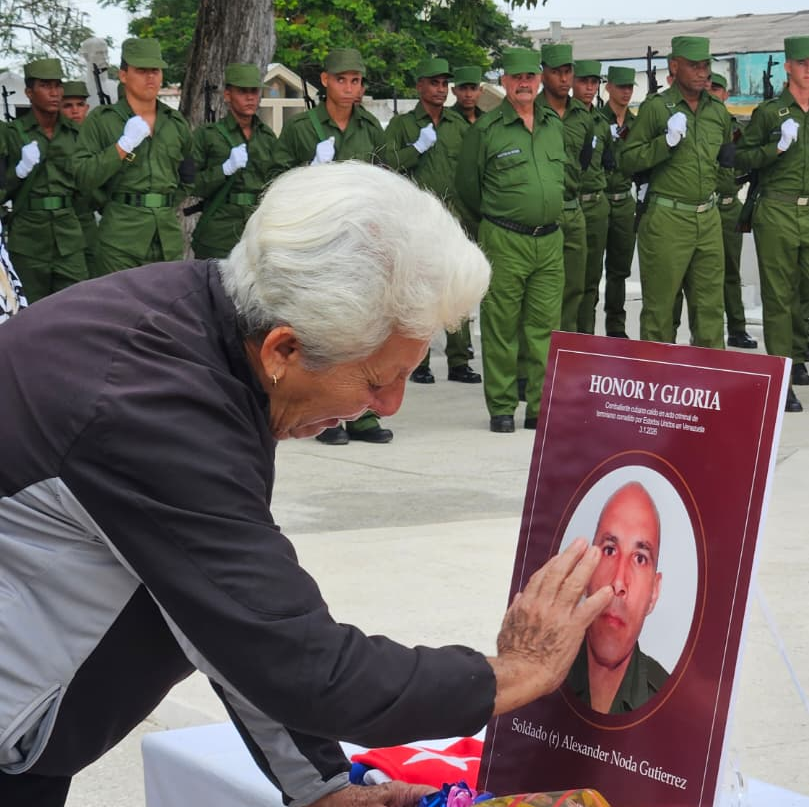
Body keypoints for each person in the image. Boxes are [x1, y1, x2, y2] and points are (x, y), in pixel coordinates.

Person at [0, 161, 613, 806]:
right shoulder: (149, 407)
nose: (393, 405)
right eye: (377, 381)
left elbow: (221, 613)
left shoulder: (198, 330)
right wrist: (518, 673)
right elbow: (307, 667)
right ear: (283, 352)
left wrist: (318, 785)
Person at [269, 48, 391, 445]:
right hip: (319, 238)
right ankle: (329, 414)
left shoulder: (371, 128)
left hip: (360, 241)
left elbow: (387, 177)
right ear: (325, 81)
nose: (349, 88)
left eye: (356, 81)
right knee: (323, 328)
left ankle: (363, 414)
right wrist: (308, 172)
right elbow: (274, 180)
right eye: (342, 80)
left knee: (367, 327)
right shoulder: (303, 128)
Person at [456, 47, 565, 433]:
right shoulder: (486, 131)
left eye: (530, 77)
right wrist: (495, 225)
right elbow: (468, 189)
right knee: (501, 326)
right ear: (503, 83)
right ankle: (502, 406)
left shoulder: (554, 124)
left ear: (538, 81)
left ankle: (538, 406)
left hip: (550, 242)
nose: (524, 84)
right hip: (505, 239)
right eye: (516, 78)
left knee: (544, 329)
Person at [621, 36, 732, 349]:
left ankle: (708, 386)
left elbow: (725, 161)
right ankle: (655, 387)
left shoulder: (717, 112)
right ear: (674, 66)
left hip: (707, 218)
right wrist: (665, 142)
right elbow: (627, 159)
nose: (702, 73)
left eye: (706, 66)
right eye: (694, 66)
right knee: (661, 311)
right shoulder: (657, 109)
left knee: (711, 309)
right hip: (667, 218)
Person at [385, 57, 480, 387]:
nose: (440, 89)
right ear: (419, 86)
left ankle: (459, 359)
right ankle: (418, 361)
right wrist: (416, 148)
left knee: (459, 287)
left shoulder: (460, 125)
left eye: (444, 83)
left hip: (457, 217)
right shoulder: (403, 126)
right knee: (419, 291)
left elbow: (474, 168)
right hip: (418, 218)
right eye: (433, 83)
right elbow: (385, 165)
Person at [73, 37, 194, 276]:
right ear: (124, 75)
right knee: (118, 311)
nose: (151, 77)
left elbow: (187, 176)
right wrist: (122, 147)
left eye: (155, 70)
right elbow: (82, 176)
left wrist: (163, 203)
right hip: (120, 238)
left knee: (166, 308)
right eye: (142, 70)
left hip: (166, 237)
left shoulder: (175, 123)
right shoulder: (101, 120)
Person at [736, 36, 809, 413]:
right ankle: (783, 377)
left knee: (804, 293)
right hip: (777, 211)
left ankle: (798, 357)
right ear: (789, 66)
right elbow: (743, 157)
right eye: (803, 62)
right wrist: (776, 148)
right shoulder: (770, 113)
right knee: (779, 297)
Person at [566, 481, 668, 715]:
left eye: (640, 558)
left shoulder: (673, 705)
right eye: (609, 550)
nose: (619, 582)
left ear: (654, 592)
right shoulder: (541, 677)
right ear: (586, 569)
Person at [2, 58, 87, 302]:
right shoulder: (10, 134)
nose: (54, 93)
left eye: (58, 85)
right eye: (45, 85)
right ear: (29, 92)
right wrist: (18, 173)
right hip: (28, 240)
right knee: (30, 314)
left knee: (78, 307)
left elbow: (90, 183)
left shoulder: (76, 133)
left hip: (69, 237)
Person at [191, 63, 279, 259]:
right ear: (228, 95)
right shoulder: (208, 135)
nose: (250, 97)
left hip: (257, 230)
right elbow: (191, 184)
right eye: (242, 91)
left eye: (254, 91)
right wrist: (224, 170)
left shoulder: (268, 137)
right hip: (219, 233)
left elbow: (277, 181)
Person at [538, 44, 594, 334]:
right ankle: (537, 361)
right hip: (542, 213)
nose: (563, 79)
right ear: (543, 74)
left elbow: (583, 161)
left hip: (573, 212)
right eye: (556, 72)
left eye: (568, 72)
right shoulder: (531, 112)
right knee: (543, 292)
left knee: (575, 288)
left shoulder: (583, 118)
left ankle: (564, 357)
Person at [707, 73, 758, 352]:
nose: (714, 93)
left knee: (730, 273)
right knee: (702, 275)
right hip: (705, 206)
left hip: (728, 206)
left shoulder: (736, 128)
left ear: (726, 94)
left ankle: (737, 328)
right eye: (710, 88)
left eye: (718, 89)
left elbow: (749, 156)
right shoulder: (699, 124)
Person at [572, 60, 612, 335]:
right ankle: (564, 338)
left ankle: (585, 339)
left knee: (591, 279)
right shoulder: (561, 119)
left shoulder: (602, 122)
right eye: (584, 81)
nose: (589, 87)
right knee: (568, 281)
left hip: (596, 204)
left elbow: (609, 163)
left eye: (594, 82)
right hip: (571, 203)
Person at [599, 66, 637, 339]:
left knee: (619, 269)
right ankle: (582, 331)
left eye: (630, 87)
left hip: (624, 201)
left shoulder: (637, 123)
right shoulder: (595, 120)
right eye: (621, 86)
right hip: (599, 200)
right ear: (608, 87)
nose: (626, 92)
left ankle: (616, 326)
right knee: (588, 274)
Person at [60, 80, 103, 277]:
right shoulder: (55, 138)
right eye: (67, 106)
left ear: (87, 108)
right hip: (62, 219)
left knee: (96, 274)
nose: (75, 111)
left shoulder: (96, 137)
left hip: (88, 218)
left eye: (79, 105)